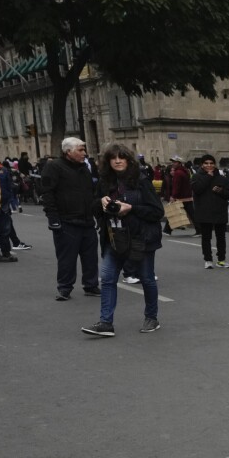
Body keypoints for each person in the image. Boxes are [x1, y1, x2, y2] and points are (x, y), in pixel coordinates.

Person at [81, 143, 164, 337]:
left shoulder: (141, 181)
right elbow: (93, 207)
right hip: (113, 237)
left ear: (128, 160)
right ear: (108, 162)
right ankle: (105, 323)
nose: (117, 161)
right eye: (113, 158)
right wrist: (100, 203)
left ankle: (151, 317)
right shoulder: (104, 182)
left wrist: (131, 208)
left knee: (146, 279)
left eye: (121, 157)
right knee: (108, 279)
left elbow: (157, 211)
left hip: (140, 238)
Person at [41, 137, 102, 300]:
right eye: (80, 150)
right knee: (67, 257)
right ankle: (64, 288)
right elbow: (47, 193)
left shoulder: (84, 168)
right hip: (66, 222)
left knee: (90, 257)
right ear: (68, 152)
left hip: (87, 221)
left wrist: (96, 215)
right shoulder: (54, 167)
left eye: (84, 150)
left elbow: (91, 193)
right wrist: (53, 218)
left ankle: (91, 285)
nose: (84, 153)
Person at [190, 155, 229, 269]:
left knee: (221, 237)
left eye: (211, 163)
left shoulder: (222, 178)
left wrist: (221, 190)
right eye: (206, 163)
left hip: (219, 211)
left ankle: (221, 260)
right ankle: (208, 260)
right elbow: (197, 189)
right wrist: (208, 177)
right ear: (202, 165)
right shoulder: (196, 177)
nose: (209, 165)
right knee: (206, 237)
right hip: (204, 212)